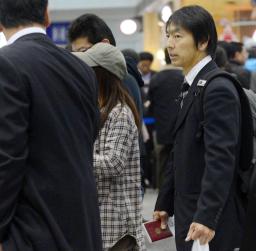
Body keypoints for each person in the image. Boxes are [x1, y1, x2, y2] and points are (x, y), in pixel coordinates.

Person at [0, 1, 102, 251]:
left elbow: (7, 157)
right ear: (47, 15)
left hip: (29, 227)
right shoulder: (81, 67)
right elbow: (89, 135)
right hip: (81, 221)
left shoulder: (7, 63)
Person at [154, 5, 245, 251]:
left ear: (203, 41)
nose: (170, 44)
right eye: (169, 36)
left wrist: (206, 216)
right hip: (188, 209)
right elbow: (180, 150)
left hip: (207, 218)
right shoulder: (192, 85)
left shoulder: (217, 88)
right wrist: (165, 201)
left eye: (178, 36)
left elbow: (221, 157)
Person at [73, 42, 145, 251]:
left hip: (117, 226)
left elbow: (113, 163)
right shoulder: (99, 109)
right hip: (101, 221)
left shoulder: (119, 113)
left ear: (101, 76)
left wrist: (74, 157)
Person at [148, 48, 183, 188]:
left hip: (162, 126)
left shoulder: (156, 78)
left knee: (162, 160)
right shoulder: (184, 76)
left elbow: (151, 103)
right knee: (181, 159)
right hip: (181, 126)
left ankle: (162, 190)